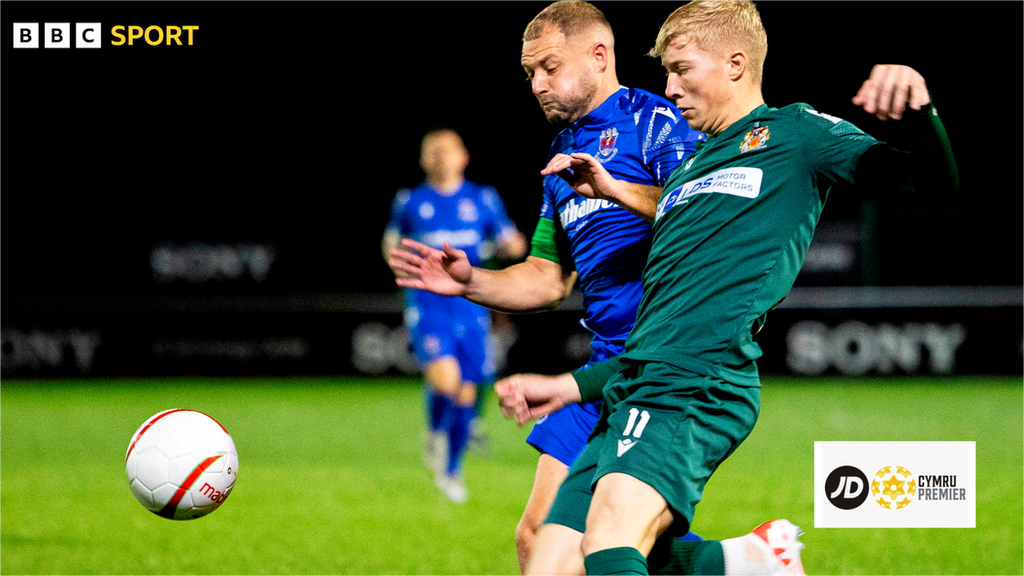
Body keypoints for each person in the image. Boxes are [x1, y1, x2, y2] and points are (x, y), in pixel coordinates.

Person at [494, 0, 959, 575]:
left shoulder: (796, 132)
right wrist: (573, 385)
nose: (670, 86)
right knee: (553, 562)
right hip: (636, 385)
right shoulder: (685, 178)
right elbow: (661, 328)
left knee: (610, 536)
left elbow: (933, 181)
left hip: (697, 383)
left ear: (736, 64)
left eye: (682, 69)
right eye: (666, 71)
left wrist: (918, 104)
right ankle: (753, 561)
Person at [387, 2, 705, 571]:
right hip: (600, 370)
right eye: (529, 72)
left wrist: (614, 190)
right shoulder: (561, 157)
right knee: (537, 537)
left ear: (599, 56)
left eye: (549, 67)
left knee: (606, 542)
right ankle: (752, 559)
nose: (537, 85)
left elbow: (704, 221)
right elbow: (546, 278)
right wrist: (469, 281)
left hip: (661, 368)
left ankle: (740, 560)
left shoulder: (657, 122)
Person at [382, 128, 527, 503]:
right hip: (429, 304)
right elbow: (391, 243)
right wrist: (399, 261)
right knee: (447, 382)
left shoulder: (482, 198)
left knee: (467, 390)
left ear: (463, 156)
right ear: (423, 159)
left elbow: (511, 239)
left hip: (472, 304)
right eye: (433, 151)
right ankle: (435, 434)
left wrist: (511, 245)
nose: (440, 156)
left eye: (447, 150)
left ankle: (452, 471)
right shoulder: (411, 201)